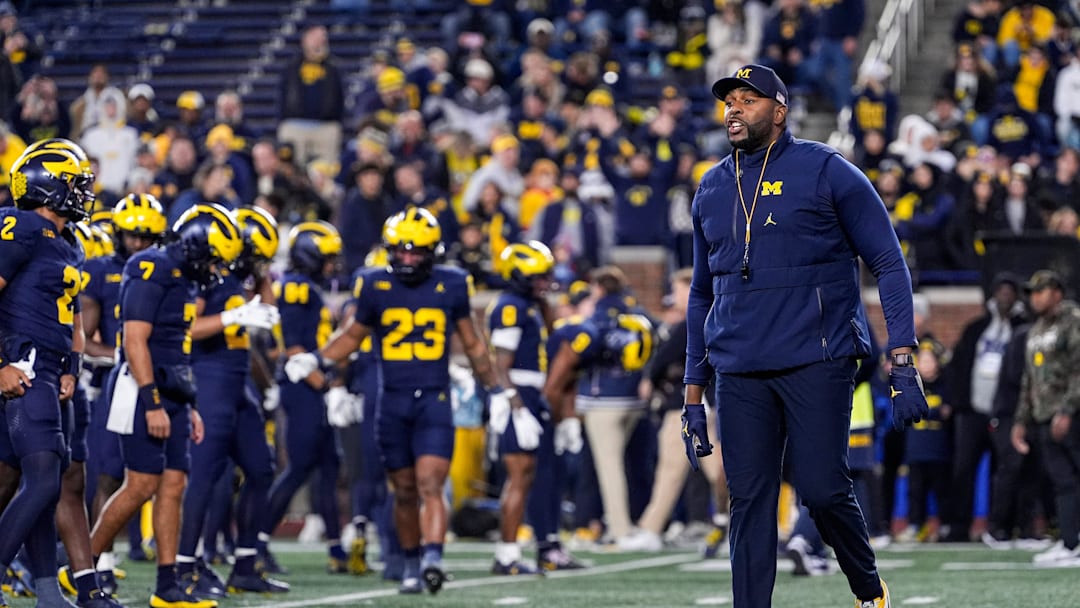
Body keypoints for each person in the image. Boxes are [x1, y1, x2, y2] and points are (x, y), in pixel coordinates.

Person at [683, 64, 928, 608]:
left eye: (748, 99)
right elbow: (702, 293)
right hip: (740, 364)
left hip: (816, 356)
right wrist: (692, 393)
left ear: (779, 108)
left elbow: (888, 262)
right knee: (748, 501)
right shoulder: (711, 185)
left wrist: (903, 356)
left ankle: (867, 587)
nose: (734, 109)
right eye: (729, 101)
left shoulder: (827, 170)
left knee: (821, 489)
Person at [285, 208, 526, 595]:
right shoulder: (373, 284)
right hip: (392, 401)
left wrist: (497, 391)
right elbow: (352, 336)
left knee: (431, 483)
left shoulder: (452, 284)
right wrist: (317, 360)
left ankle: (432, 558)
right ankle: (412, 562)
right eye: (402, 251)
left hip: (433, 398)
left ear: (433, 252)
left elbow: (474, 344)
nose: (409, 259)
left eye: (417, 252)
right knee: (405, 490)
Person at [89, 204, 242, 608]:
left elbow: (177, 346)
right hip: (143, 390)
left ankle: (167, 586)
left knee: (174, 485)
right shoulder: (152, 266)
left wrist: (186, 406)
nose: (215, 269)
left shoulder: (186, 279)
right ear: (195, 246)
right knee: (140, 485)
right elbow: (134, 341)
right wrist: (152, 402)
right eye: (212, 258)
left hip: (172, 393)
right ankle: (83, 569)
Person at [0, 144, 104, 608]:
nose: (84, 192)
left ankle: (47, 593)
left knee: (35, 479)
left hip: (46, 368)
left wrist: (72, 366)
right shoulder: (21, 225)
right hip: (20, 365)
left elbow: (71, 314)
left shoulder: (67, 240)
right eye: (75, 183)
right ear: (48, 185)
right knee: (45, 479)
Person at [175, 207, 286, 595]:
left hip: (238, 385)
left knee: (261, 469)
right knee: (203, 477)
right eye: (255, 255)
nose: (256, 264)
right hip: (208, 380)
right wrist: (232, 317)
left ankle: (244, 564)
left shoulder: (240, 274)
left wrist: (260, 273)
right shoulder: (205, 274)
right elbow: (186, 329)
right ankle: (184, 567)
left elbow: (270, 312)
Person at [83, 194, 167, 593]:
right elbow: (81, 337)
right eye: (132, 235)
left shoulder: (166, 269)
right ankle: (101, 561)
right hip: (119, 384)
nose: (138, 243)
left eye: (147, 236)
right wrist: (118, 354)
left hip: (160, 379)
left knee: (162, 474)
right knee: (110, 472)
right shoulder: (101, 271)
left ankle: (173, 559)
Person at [486, 241, 583, 573]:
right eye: (538, 276)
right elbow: (499, 363)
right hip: (520, 395)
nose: (544, 282)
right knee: (519, 476)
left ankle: (543, 546)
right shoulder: (510, 307)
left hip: (533, 395)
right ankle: (507, 555)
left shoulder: (532, 306)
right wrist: (513, 403)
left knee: (541, 474)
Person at [259, 220, 350, 574]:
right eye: (326, 257)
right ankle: (257, 542)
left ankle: (336, 550)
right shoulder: (297, 288)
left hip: (314, 386)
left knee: (329, 467)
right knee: (298, 468)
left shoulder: (307, 286)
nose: (332, 264)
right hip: (302, 386)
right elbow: (294, 347)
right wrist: (327, 388)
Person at [946, 273, 1026, 541]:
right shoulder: (976, 328)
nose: (1004, 295)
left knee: (1006, 470)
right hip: (972, 412)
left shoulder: (1022, 328)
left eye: (1009, 290)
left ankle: (1001, 526)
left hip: (1005, 412)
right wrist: (955, 402)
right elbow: (958, 367)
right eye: (1000, 290)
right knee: (962, 469)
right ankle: (959, 527)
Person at [1010, 269, 1080, 565]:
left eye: (1041, 291)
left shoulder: (1073, 320)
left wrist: (1067, 410)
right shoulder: (1036, 329)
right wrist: (1020, 421)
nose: (1035, 297)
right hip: (1043, 415)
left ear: (1057, 292)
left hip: (1072, 414)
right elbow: (1029, 379)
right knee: (1062, 481)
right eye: (1032, 292)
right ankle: (1070, 541)